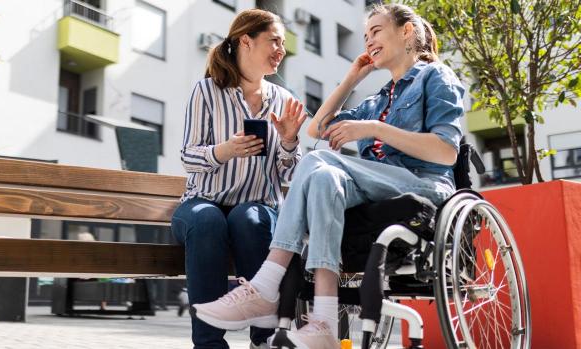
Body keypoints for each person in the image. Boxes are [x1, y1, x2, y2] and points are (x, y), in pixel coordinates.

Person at [192, 4, 465, 349]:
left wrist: (374, 128)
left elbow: (446, 152)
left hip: (424, 185)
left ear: (407, 31)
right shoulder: (379, 99)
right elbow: (317, 128)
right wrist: (353, 77)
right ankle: (323, 320)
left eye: (376, 31)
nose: (369, 41)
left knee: (320, 162)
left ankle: (265, 285)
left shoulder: (436, 77)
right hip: (381, 187)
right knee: (322, 177)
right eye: (365, 37)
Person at [172, 8, 306, 349]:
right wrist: (226, 150)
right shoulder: (206, 91)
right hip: (202, 204)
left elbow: (290, 172)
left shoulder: (283, 100)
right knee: (207, 219)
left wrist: (290, 141)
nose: (281, 50)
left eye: (283, 44)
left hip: (256, 207)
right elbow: (188, 157)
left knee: (250, 218)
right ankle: (209, 343)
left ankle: (264, 340)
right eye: (274, 41)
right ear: (246, 41)